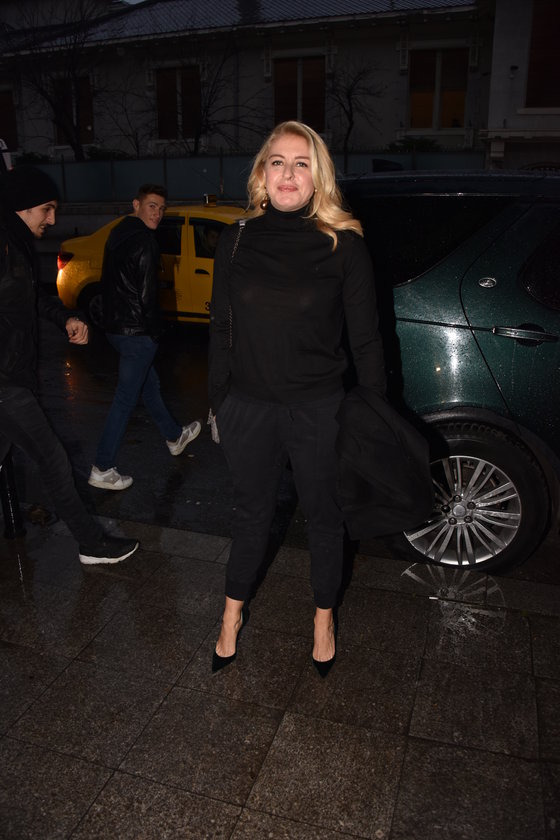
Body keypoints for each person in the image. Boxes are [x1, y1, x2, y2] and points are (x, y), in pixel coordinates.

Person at [208, 121, 386, 676]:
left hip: (318, 409)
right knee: (250, 515)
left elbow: (367, 340)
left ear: (318, 177)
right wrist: (219, 402)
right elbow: (219, 329)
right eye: (278, 162)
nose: (288, 173)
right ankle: (231, 616)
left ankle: (323, 618)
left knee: (325, 517)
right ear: (262, 174)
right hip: (248, 407)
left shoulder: (343, 244)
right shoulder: (236, 239)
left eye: (301, 163)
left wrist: (373, 414)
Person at [0, 165, 139, 565]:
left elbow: (29, 299)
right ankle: (91, 543)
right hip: (5, 383)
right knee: (52, 459)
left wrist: (65, 318)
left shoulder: (16, 244)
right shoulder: (4, 245)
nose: (53, 218)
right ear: (23, 206)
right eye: (47, 208)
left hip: (14, 377)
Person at [88, 184, 201, 490]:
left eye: (161, 209)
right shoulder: (146, 241)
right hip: (137, 332)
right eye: (152, 206)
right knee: (126, 399)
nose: (157, 213)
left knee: (149, 386)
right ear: (136, 204)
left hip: (116, 329)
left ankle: (174, 436)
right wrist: (154, 333)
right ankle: (102, 467)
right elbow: (148, 296)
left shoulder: (118, 233)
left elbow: (109, 282)